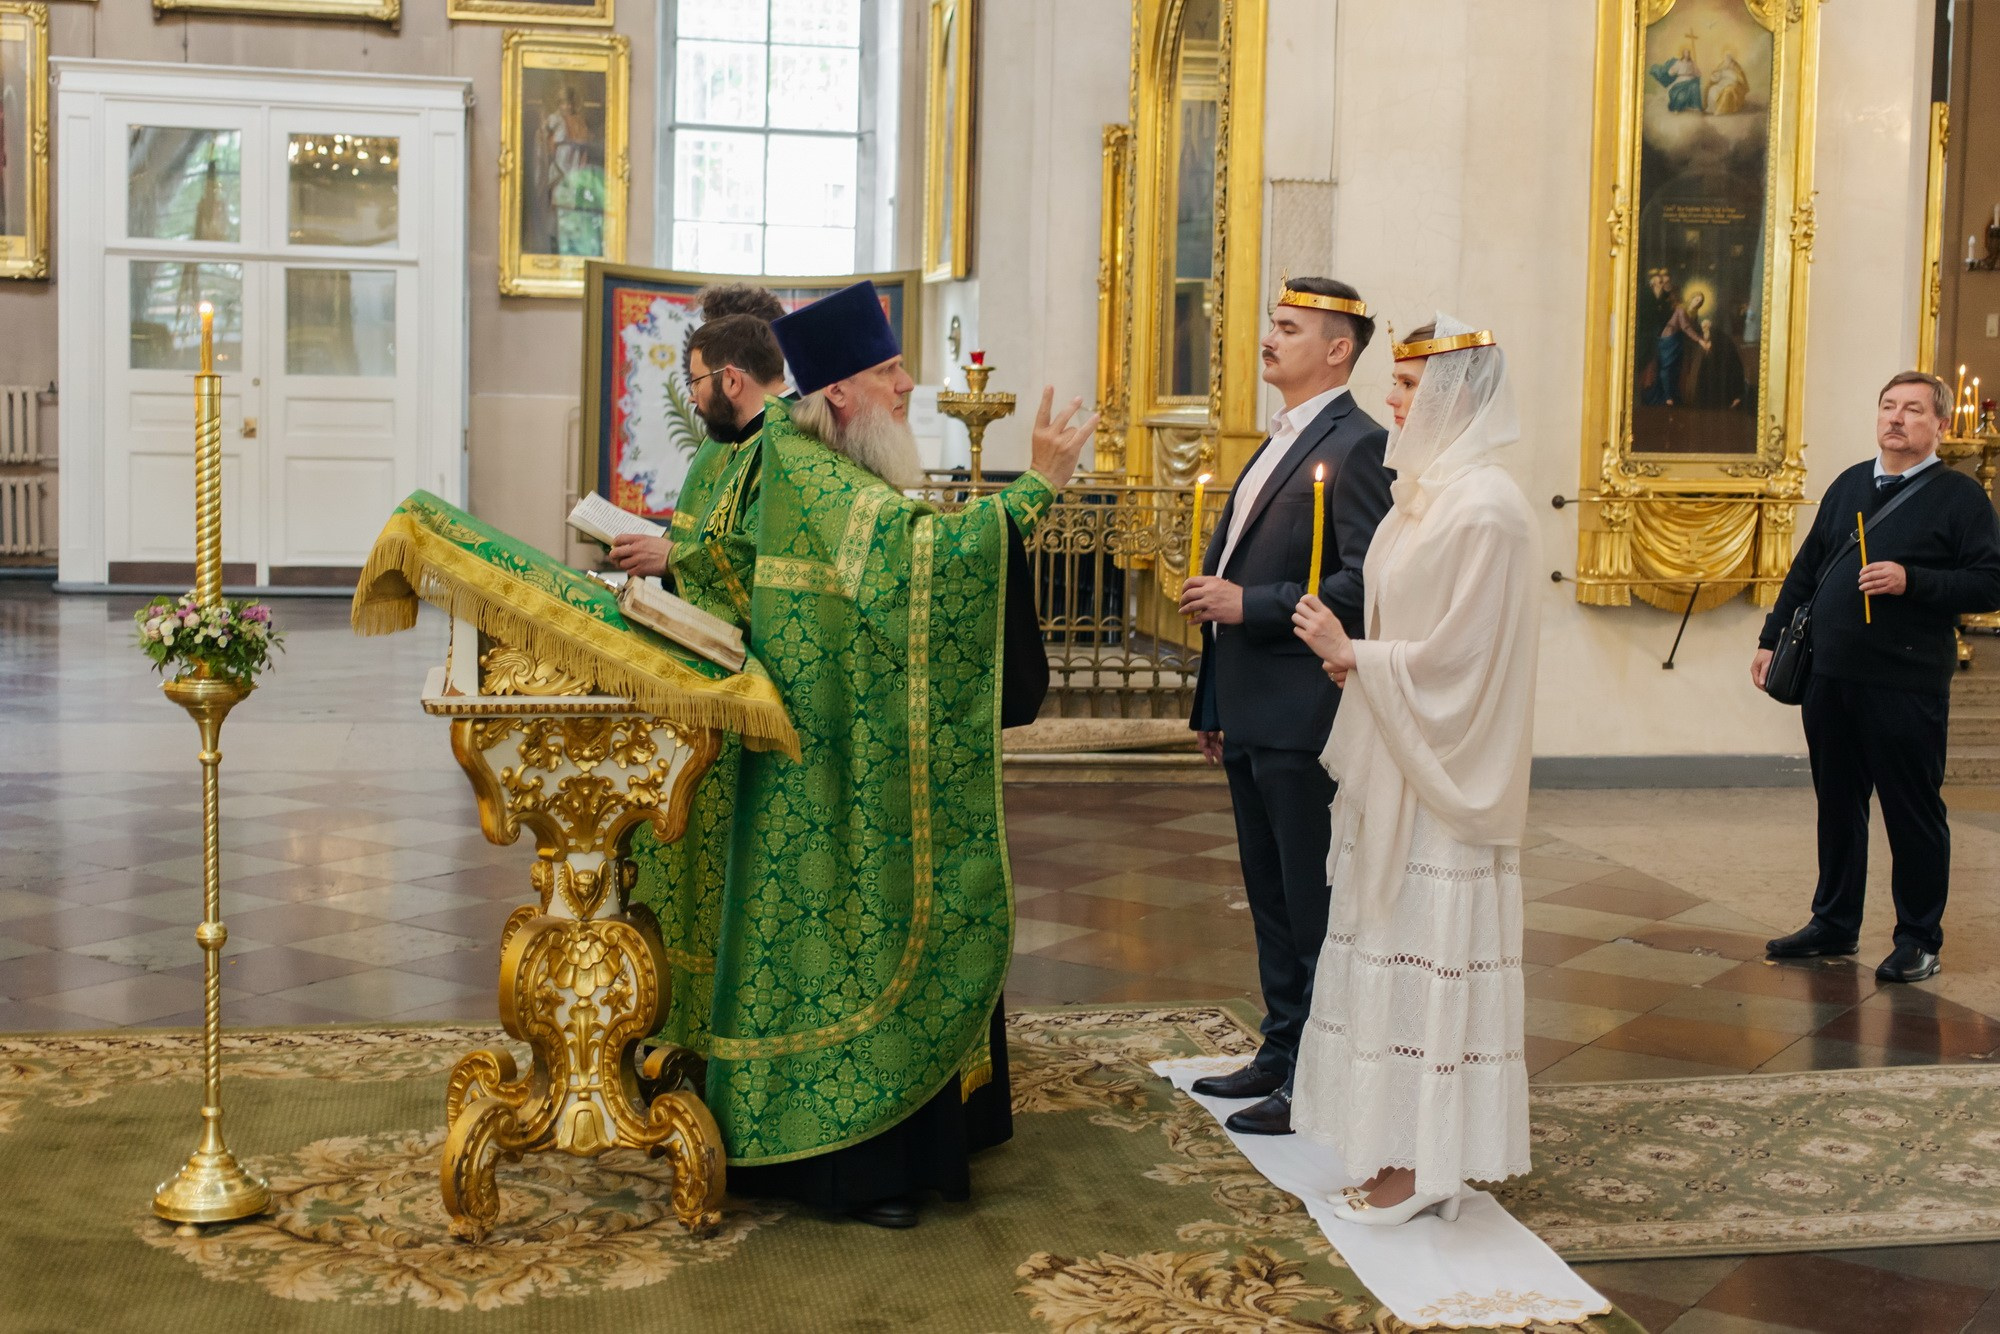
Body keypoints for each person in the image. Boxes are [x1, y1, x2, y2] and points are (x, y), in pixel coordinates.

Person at [697, 281, 1096, 1228]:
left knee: (860, 935)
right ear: (840, 392)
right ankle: (852, 1164)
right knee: (851, 942)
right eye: (890, 371)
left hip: (857, 748)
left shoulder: (816, 457)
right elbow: (930, 565)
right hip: (833, 771)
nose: (911, 384)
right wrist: (1037, 486)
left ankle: (906, 1143)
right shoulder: (813, 472)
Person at [1289, 314, 1539, 1227]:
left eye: (1405, 388)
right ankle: (1398, 1146)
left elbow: (1467, 659)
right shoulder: (1418, 495)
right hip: (1394, 757)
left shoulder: (1489, 507)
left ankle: (1427, 1162)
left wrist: (1361, 657)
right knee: (1383, 944)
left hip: (1443, 777)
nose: (1390, 403)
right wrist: (1356, 653)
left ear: (1451, 397)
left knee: (1429, 953)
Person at [1177, 278, 1395, 1136]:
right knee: (1267, 894)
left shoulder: (1358, 445)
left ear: (1338, 349)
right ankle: (1278, 1047)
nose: (1270, 338)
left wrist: (1253, 605)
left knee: (1311, 899)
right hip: (1250, 705)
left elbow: (1361, 580)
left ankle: (1318, 1071)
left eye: (1289, 327)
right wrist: (1213, 700)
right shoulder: (1280, 441)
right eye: (1272, 323)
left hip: (1305, 711)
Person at [1754, 371, 2000, 983]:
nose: (1896, 418)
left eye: (1913, 410)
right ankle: (1834, 921)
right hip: (1829, 677)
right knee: (1838, 806)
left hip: (1905, 683)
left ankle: (1919, 938)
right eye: (1888, 406)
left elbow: (1991, 582)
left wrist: (1911, 581)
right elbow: (1806, 568)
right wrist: (1769, 638)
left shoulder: (1961, 498)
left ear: (1940, 425)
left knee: (1911, 811)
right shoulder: (1848, 484)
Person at [618, 303, 790, 1058]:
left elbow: (776, 562)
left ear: (730, 378)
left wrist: (675, 561)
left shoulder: (785, 451)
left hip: (746, 685)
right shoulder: (719, 451)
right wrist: (664, 552)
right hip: (693, 677)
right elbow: (706, 534)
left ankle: (720, 1026)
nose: (690, 399)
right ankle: (673, 1014)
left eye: (694, 383)